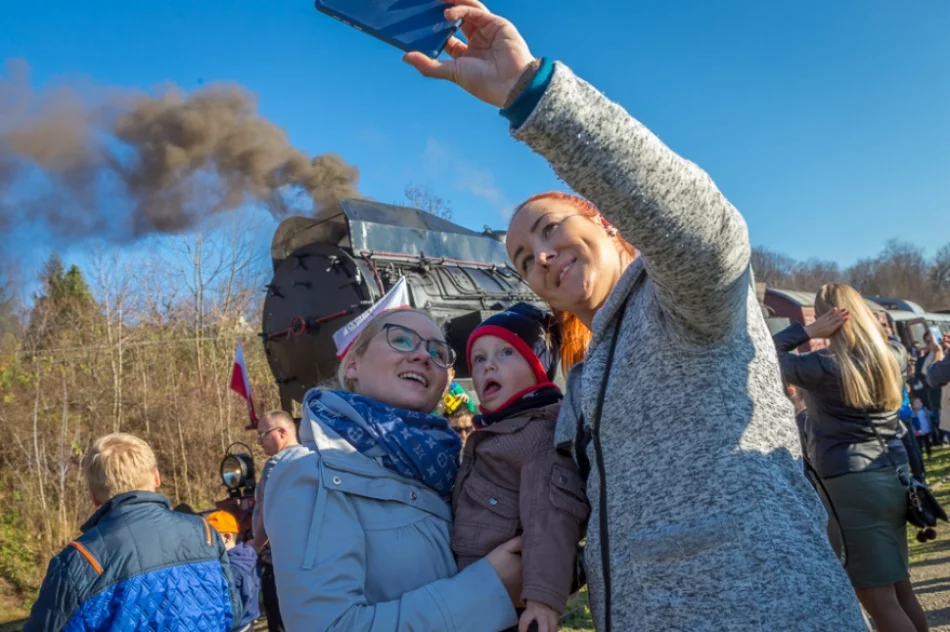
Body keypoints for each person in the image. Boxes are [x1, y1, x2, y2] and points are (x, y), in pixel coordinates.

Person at [404, 2, 865, 629]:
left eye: (549, 229)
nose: (541, 257)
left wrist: (531, 93)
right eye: (524, 259)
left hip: (770, 611)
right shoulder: (584, 380)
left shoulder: (686, 300)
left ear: (604, 220)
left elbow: (702, 227)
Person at [264, 307, 523, 632]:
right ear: (353, 365)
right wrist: (489, 588)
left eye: (438, 353)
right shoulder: (311, 473)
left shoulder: (452, 468)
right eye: (401, 340)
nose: (423, 356)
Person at [774, 285, 928, 632]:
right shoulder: (893, 353)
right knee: (901, 588)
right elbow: (887, 340)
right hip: (895, 473)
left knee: (879, 600)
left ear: (828, 318)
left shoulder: (821, 365)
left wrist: (806, 332)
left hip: (850, 484)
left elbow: (761, 356)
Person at [455, 303, 587, 632]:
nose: (489, 365)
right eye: (479, 359)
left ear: (538, 368)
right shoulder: (499, 430)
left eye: (506, 353)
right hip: (476, 590)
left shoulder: (538, 434)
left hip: (511, 603)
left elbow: (550, 518)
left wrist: (542, 600)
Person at [25, 432, 243, 631]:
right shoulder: (204, 533)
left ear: (93, 496)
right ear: (156, 477)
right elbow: (233, 614)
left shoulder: (81, 559)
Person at [252, 409, 307, 632]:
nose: (259, 442)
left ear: (282, 433)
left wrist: (253, 547)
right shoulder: (312, 458)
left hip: (278, 566)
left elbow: (267, 517)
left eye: (263, 434)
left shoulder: (275, 465)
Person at [209, 510, 261, 632]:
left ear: (227, 537)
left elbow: (229, 606)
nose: (207, 544)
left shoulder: (232, 569)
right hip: (247, 623)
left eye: (211, 539)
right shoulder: (247, 554)